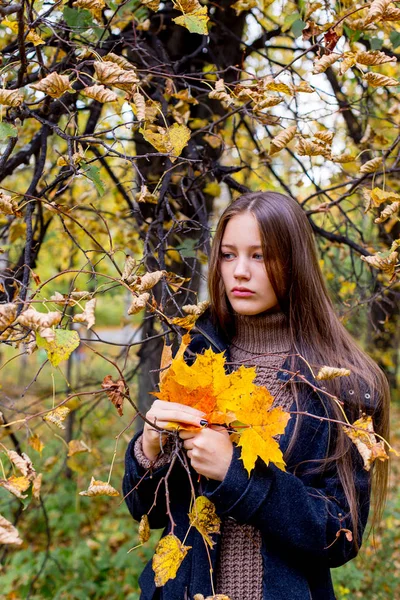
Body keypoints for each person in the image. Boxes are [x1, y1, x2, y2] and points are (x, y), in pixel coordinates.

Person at [123, 191, 390, 600]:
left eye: (260, 256)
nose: (240, 272)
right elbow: (148, 511)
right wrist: (148, 449)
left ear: (294, 262)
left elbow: (340, 536)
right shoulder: (193, 355)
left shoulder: (343, 384)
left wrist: (236, 474)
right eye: (228, 255)